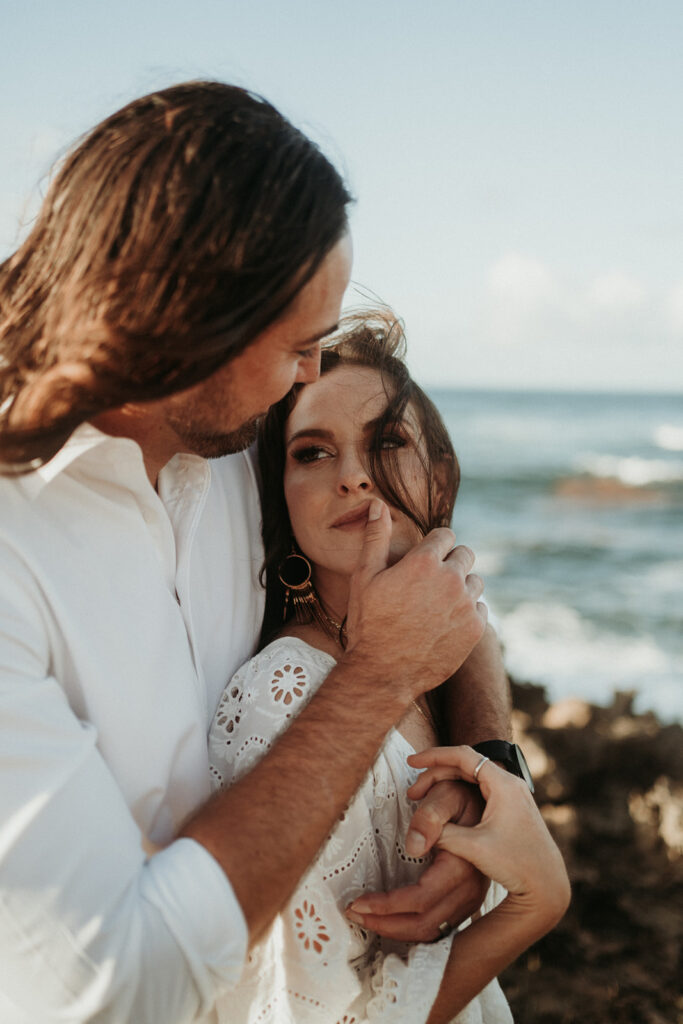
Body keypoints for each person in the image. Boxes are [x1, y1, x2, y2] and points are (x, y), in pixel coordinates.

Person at [0, 82, 512, 1022]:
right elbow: (115, 987)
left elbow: (424, 562)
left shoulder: (242, 440)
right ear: (190, 326)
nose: (312, 374)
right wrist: (376, 676)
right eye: (298, 345)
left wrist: (488, 772)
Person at [207, 312, 570, 1023]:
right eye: (311, 453)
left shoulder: (444, 661)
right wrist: (534, 905)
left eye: (387, 442)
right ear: (282, 496)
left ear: (440, 479)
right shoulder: (281, 701)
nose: (352, 477)